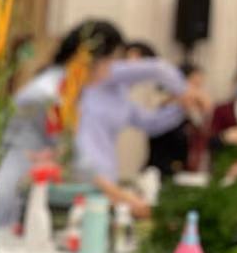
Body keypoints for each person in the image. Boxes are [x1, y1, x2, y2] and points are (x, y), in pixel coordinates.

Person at [0, 20, 124, 229]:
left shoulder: (65, 87)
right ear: (92, 60)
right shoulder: (51, 93)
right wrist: (121, 198)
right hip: (11, 185)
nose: (111, 70)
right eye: (111, 61)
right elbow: (75, 157)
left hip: (26, 184)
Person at [73, 36, 205, 215]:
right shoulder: (103, 76)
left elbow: (152, 124)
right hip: (85, 173)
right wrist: (187, 91)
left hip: (106, 177)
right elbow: (157, 69)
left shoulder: (122, 100)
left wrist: (182, 105)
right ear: (133, 56)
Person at [146, 63, 209, 176]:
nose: (198, 92)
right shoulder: (169, 111)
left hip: (183, 173)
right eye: (194, 85)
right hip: (162, 172)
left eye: (199, 86)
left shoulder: (191, 114)